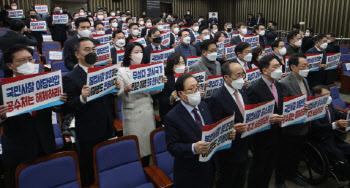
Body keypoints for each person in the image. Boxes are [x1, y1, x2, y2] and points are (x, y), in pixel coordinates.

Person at [0, 45, 67, 187]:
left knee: (49, 180)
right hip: (19, 148)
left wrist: (58, 102)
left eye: (30, 59)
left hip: (45, 143)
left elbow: (57, 109)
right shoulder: (2, 90)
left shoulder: (46, 83)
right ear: (10, 65)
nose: (28, 64)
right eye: (22, 61)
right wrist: (2, 116)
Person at [62, 38, 118, 186]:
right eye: (87, 49)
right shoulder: (70, 77)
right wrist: (82, 98)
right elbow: (66, 108)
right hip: (88, 130)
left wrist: (115, 89)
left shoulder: (103, 71)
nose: (92, 52)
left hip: (107, 124)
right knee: (89, 169)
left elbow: (107, 98)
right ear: (77, 54)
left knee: (107, 165)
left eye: (93, 49)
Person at [164, 73, 236, 188]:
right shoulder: (172, 117)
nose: (196, 91)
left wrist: (227, 133)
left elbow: (212, 130)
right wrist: (193, 148)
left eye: (197, 87)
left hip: (210, 166)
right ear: (180, 94)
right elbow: (172, 147)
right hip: (190, 172)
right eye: (191, 89)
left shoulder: (204, 106)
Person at [117, 42, 167, 167]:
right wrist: (126, 90)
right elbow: (118, 97)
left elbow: (151, 92)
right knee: (136, 148)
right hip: (133, 113)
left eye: (141, 51)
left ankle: (147, 168)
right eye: (136, 52)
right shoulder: (121, 71)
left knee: (148, 146)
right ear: (129, 55)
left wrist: (160, 84)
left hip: (147, 111)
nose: (140, 54)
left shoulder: (147, 69)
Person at [247, 55, 287, 188]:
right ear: (265, 70)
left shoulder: (279, 86)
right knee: (259, 168)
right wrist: (267, 119)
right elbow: (251, 116)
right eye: (275, 66)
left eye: (279, 66)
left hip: (278, 133)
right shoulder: (254, 89)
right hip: (261, 137)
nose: (279, 69)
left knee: (269, 167)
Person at [209, 61, 250, 188]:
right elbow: (215, 127)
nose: (241, 79)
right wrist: (231, 129)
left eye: (242, 75)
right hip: (228, 151)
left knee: (241, 179)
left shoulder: (242, 90)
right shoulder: (217, 98)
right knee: (227, 181)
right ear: (226, 77)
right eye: (237, 75)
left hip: (244, 145)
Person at [277, 53, 311, 187]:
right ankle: (280, 180)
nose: (307, 67)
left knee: (297, 153)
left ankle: (292, 174)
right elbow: (282, 106)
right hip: (290, 127)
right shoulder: (284, 83)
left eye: (307, 65)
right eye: (304, 65)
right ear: (293, 67)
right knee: (285, 154)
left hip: (304, 123)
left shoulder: (305, 79)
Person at [310, 85, 350, 181]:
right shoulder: (311, 109)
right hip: (321, 140)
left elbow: (337, 114)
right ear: (317, 96)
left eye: (330, 94)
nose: (330, 97)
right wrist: (335, 125)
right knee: (339, 156)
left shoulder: (329, 104)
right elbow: (316, 127)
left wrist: (347, 116)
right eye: (326, 95)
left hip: (333, 137)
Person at [159, 52, 187, 120]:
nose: (181, 65)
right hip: (173, 115)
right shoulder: (166, 80)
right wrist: (170, 99)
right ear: (172, 65)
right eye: (178, 63)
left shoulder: (187, 78)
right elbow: (161, 102)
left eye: (183, 63)